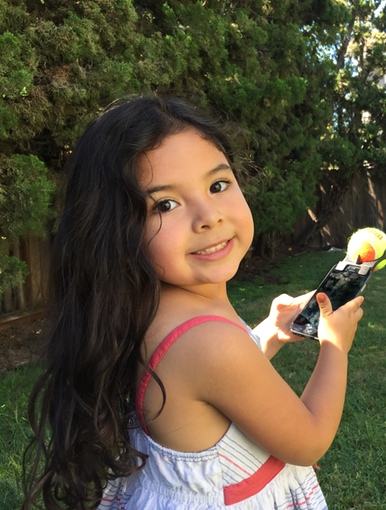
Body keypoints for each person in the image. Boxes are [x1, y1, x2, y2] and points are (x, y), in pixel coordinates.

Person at [22, 95, 364, 509]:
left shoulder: (154, 308)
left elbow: (209, 387)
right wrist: (334, 347)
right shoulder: (209, 343)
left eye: (218, 185)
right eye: (165, 204)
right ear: (116, 231)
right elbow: (308, 442)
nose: (208, 216)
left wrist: (269, 334)